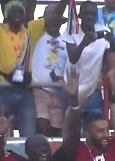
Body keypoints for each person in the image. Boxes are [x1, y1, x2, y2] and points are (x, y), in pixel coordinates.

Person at [0, 0, 68, 137]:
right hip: (3, 90)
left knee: (29, 136)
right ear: (6, 15)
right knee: (0, 134)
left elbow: (55, 15)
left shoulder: (32, 29)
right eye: (13, 11)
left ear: (25, 15)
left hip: (25, 92)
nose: (17, 14)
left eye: (20, 11)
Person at [64, 0, 114, 115]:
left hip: (93, 91)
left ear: (97, 16)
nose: (90, 17)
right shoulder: (71, 31)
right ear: (80, 15)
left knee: (94, 126)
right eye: (86, 13)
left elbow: (109, 61)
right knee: (72, 127)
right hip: (72, 89)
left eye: (93, 14)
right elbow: (73, 58)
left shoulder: (104, 31)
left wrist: (112, 43)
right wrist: (83, 43)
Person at [31, 3, 68, 137]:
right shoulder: (36, 35)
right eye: (50, 19)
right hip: (40, 90)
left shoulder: (67, 41)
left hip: (59, 92)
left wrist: (63, 80)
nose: (53, 22)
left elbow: (71, 65)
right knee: (43, 127)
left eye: (56, 20)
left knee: (57, 130)